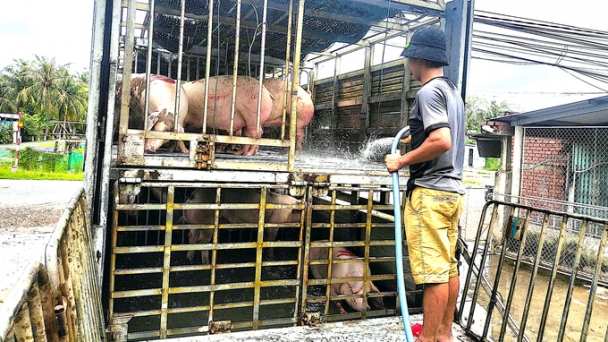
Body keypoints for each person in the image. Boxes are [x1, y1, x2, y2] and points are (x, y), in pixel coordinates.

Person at [385, 25, 465, 342]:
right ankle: (444, 334)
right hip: (453, 193)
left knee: (433, 275)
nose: (409, 66)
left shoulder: (429, 92)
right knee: (449, 268)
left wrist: (402, 161)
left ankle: (427, 339)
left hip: (430, 194)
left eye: (410, 59)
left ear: (417, 59)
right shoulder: (453, 92)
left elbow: (441, 140)